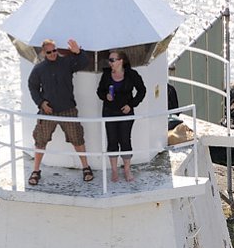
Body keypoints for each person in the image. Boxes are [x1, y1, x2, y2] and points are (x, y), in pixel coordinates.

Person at [27, 38, 93, 185]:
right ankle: (36, 171)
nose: (52, 54)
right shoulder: (39, 69)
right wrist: (41, 103)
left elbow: (84, 62)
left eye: (54, 50)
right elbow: (32, 87)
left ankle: (86, 168)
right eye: (49, 52)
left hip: (67, 109)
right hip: (48, 111)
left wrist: (78, 52)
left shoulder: (66, 62)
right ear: (43, 53)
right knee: (40, 140)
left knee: (77, 139)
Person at [97, 50, 146, 182]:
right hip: (109, 112)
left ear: (121, 61)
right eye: (109, 60)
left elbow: (142, 90)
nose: (110, 62)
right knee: (112, 140)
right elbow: (100, 91)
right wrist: (105, 96)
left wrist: (131, 105)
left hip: (126, 113)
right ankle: (114, 171)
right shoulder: (107, 74)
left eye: (112, 60)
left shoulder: (131, 74)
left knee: (125, 140)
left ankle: (126, 169)